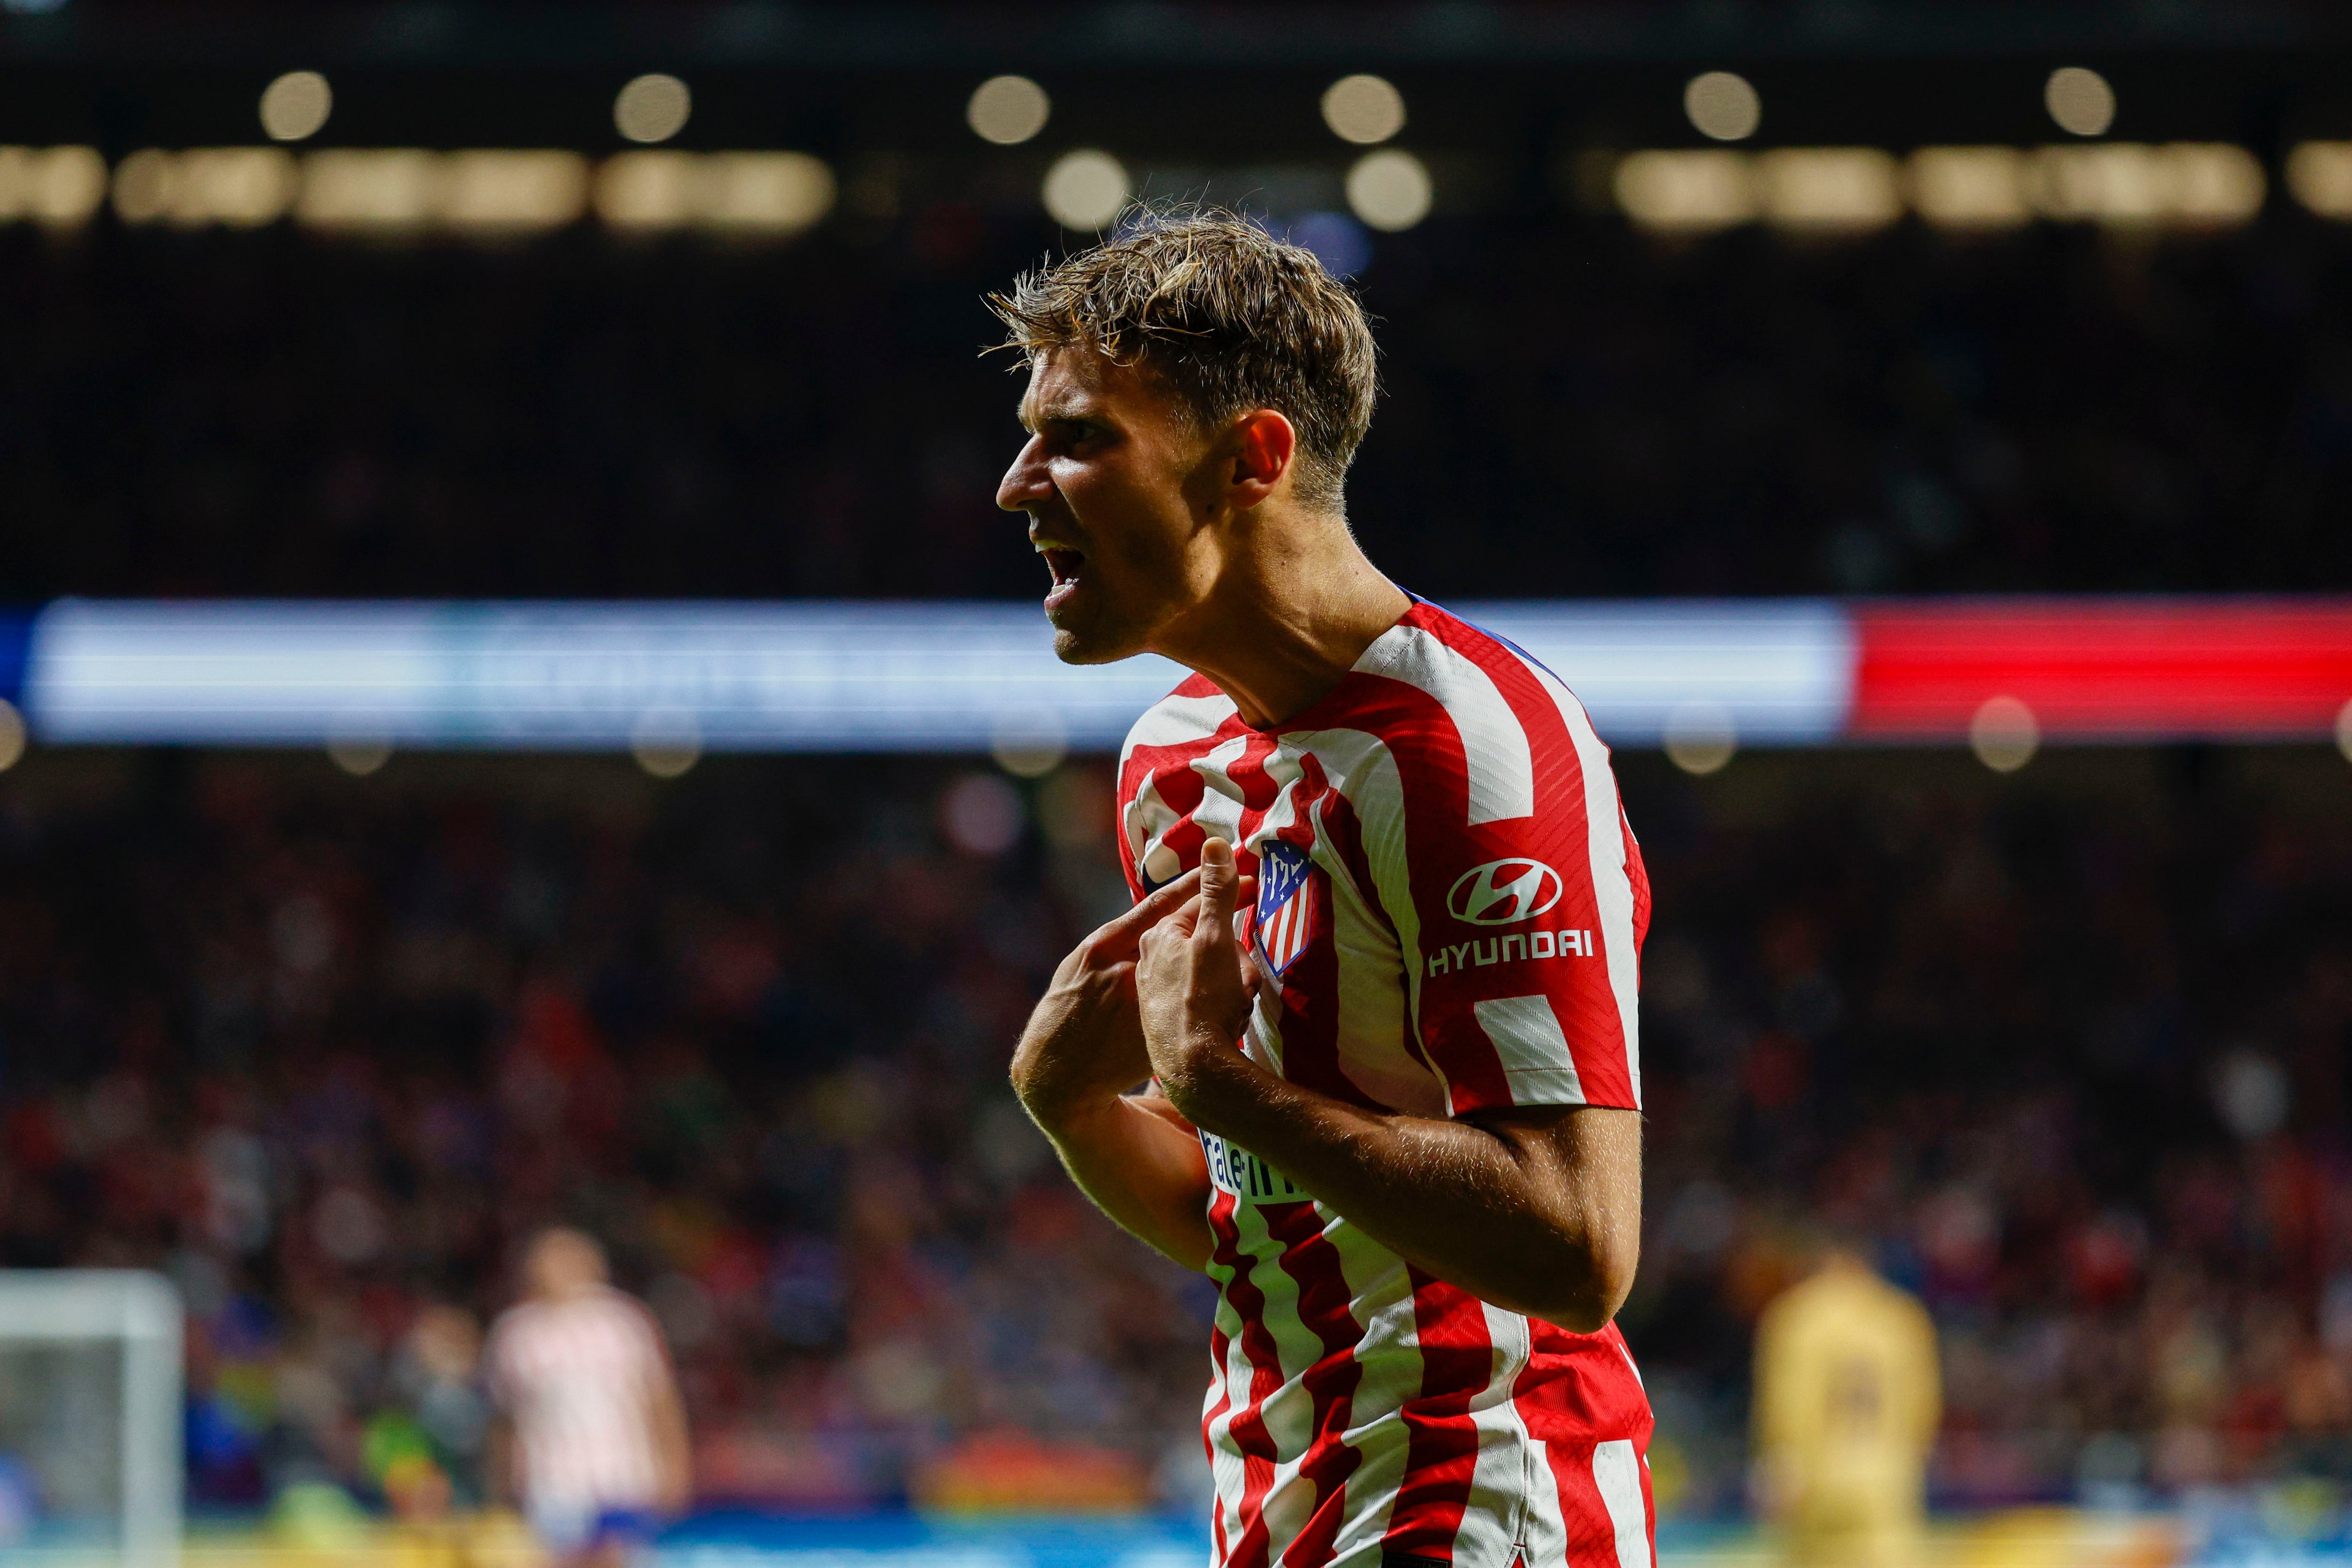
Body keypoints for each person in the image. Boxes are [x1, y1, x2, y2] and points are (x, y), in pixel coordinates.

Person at [999, 209, 1655, 1568]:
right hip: (1274, 1504)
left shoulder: (1475, 750)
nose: (1018, 484)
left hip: (1483, 1499)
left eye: (1078, 437)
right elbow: (1258, 1220)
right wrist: (1066, 1103)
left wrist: (1229, 1088)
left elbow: (1578, 1246)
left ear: (1252, 458)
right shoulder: (1172, 761)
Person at [485, 1227, 691, 1566]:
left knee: (615, 1558)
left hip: (622, 1473)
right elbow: (504, 1416)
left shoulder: (623, 1323)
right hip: (551, 1479)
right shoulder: (516, 1333)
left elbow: (660, 1400)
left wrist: (676, 1465)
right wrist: (503, 1478)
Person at [1751, 1247, 1940, 1568]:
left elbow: (1790, 1401)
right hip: (1888, 1479)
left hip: (1819, 1480)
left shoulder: (1799, 1314)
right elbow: (1923, 1405)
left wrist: (1782, 1465)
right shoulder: (1900, 1316)